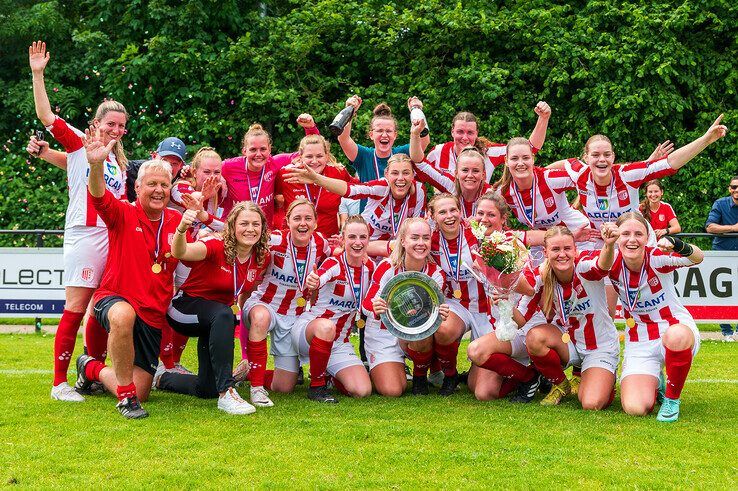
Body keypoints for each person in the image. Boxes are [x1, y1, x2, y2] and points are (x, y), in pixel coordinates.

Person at [29, 41, 128, 402]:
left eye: (121, 126)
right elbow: (46, 117)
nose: (115, 130)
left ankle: (94, 371)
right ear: (95, 124)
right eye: (110, 124)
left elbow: (72, 169)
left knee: (103, 305)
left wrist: (43, 155)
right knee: (76, 305)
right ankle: (59, 383)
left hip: (112, 237)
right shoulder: (80, 142)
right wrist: (38, 73)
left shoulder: (117, 162)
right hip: (86, 235)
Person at [559, 116, 727, 314]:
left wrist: (705, 139)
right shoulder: (578, 172)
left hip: (638, 241)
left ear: (613, 156)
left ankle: (674, 329)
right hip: (606, 245)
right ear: (586, 158)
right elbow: (550, 170)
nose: (601, 159)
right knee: (604, 310)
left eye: (607, 154)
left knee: (653, 298)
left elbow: (670, 162)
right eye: (595, 155)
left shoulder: (628, 174)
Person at [75, 131, 181, 418]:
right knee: (123, 315)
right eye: (152, 184)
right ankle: (126, 400)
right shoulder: (122, 212)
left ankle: (90, 367)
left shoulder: (178, 221)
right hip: (114, 297)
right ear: (137, 186)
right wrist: (96, 165)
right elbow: (98, 195)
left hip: (153, 313)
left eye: (164, 184)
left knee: (142, 387)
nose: (158, 190)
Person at [153, 202, 270, 414]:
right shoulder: (216, 245)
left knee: (206, 388)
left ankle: (162, 378)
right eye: (244, 223)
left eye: (256, 224)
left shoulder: (260, 256)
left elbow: (244, 292)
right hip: (184, 309)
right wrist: (181, 229)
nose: (250, 229)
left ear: (262, 228)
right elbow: (181, 252)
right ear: (232, 226)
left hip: (216, 318)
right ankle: (227, 392)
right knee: (224, 313)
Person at [609, 212, 704, 422]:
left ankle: (672, 399)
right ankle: (655, 381)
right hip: (639, 341)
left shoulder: (657, 257)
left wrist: (677, 244)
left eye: (638, 234)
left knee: (676, 335)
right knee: (635, 408)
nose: (632, 239)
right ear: (617, 237)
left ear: (647, 237)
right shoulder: (609, 263)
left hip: (673, 330)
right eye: (625, 233)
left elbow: (697, 257)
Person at [517, 225, 620, 409]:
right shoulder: (541, 273)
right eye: (555, 249)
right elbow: (521, 320)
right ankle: (560, 383)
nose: (562, 254)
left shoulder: (584, 265)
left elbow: (602, 265)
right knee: (534, 338)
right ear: (545, 252)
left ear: (575, 249)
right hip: (568, 343)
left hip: (599, 347)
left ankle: (607, 376)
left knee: (591, 403)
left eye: (567, 248)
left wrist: (609, 245)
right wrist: (503, 299)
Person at [242, 199, 332, 406]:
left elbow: (336, 258)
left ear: (316, 223)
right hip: (265, 305)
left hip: (295, 314)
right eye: (297, 218)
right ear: (287, 221)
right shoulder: (274, 240)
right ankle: (256, 389)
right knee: (262, 317)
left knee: (284, 387)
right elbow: (241, 234)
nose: (303, 223)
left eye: (308, 218)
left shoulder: (321, 244)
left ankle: (249, 371)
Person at [465, 193, 544, 402]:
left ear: (502, 219)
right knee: (480, 390)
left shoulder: (512, 244)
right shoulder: (478, 247)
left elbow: (529, 290)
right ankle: (522, 372)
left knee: (476, 352)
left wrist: (505, 285)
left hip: (521, 324)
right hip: (499, 324)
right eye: (480, 213)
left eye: (491, 214)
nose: (484, 219)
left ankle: (529, 377)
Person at [362, 218, 450, 396]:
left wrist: (440, 313)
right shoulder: (387, 266)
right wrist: (375, 307)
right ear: (402, 240)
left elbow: (430, 314)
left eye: (425, 238)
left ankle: (419, 377)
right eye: (415, 237)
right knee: (393, 390)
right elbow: (366, 303)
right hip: (383, 334)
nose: (420, 243)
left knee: (430, 330)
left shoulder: (436, 274)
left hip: (412, 333)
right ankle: (372, 369)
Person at [296, 215, 375, 403]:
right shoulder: (334, 263)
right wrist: (314, 281)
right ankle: (317, 387)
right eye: (352, 237)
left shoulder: (370, 267)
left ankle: (330, 375)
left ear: (368, 240)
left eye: (362, 237)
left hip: (339, 342)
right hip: (311, 332)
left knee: (362, 390)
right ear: (343, 239)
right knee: (326, 327)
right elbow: (321, 275)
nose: (357, 243)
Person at [283, 153, 426, 257]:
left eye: (406, 173)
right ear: (387, 174)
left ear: (413, 175)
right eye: (395, 173)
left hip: (397, 251)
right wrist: (316, 179)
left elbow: (416, 228)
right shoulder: (382, 187)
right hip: (363, 245)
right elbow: (349, 190)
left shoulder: (419, 191)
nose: (400, 178)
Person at [492, 137, 591, 261]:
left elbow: (588, 179)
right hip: (542, 246)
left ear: (533, 158)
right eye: (514, 158)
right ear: (506, 161)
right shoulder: (503, 192)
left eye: (526, 158)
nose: (520, 163)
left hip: (581, 237)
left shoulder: (549, 179)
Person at [27, 134, 187, 203]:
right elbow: (84, 166)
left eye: (175, 163)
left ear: (182, 165)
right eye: (165, 160)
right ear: (154, 156)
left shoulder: (186, 178)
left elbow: (205, 173)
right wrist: (46, 153)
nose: (169, 167)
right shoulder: (136, 169)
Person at [221, 116, 318, 227]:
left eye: (263, 149)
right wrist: (220, 177)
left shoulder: (275, 163)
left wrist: (310, 128)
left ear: (269, 149)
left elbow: (310, 151)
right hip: (232, 231)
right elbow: (207, 168)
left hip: (263, 232)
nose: (258, 154)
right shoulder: (229, 166)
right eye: (253, 149)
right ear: (244, 151)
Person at [336, 96, 430, 210]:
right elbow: (343, 138)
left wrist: (416, 110)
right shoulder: (363, 155)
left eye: (389, 131)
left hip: (399, 220)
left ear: (395, 135)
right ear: (371, 135)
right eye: (380, 130)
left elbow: (424, 140)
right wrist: (350, 110)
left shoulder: (403, 154)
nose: (384, 135)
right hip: (369, 223)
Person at [424, 102, 551, 181]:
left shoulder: (487, 152)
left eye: (470, 133)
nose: (465, 137)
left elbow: (531, 147)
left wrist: (543, 118)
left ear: (476, 134)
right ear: (452, 132)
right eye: (460, 132)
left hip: (479, 219)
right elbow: (418, 175)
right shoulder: (438, 152)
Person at [276, 134, 355, 239]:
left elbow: (359, 189)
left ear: (326, 156)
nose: (314, 161)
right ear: (300, 157)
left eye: (319, 156)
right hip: (292, 241)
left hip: (328, 241)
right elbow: (272, 196)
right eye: (309, 156)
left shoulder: (338, 173)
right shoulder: (287, 173)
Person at [705, 175, 738, 341]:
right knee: (720, 293)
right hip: (722, 254)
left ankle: (737, 331)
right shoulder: (720, 203)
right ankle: (726, 332)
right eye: (733, 187)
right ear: (729, 189)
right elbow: (710, 227)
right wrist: (733, 228)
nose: (736, 191)